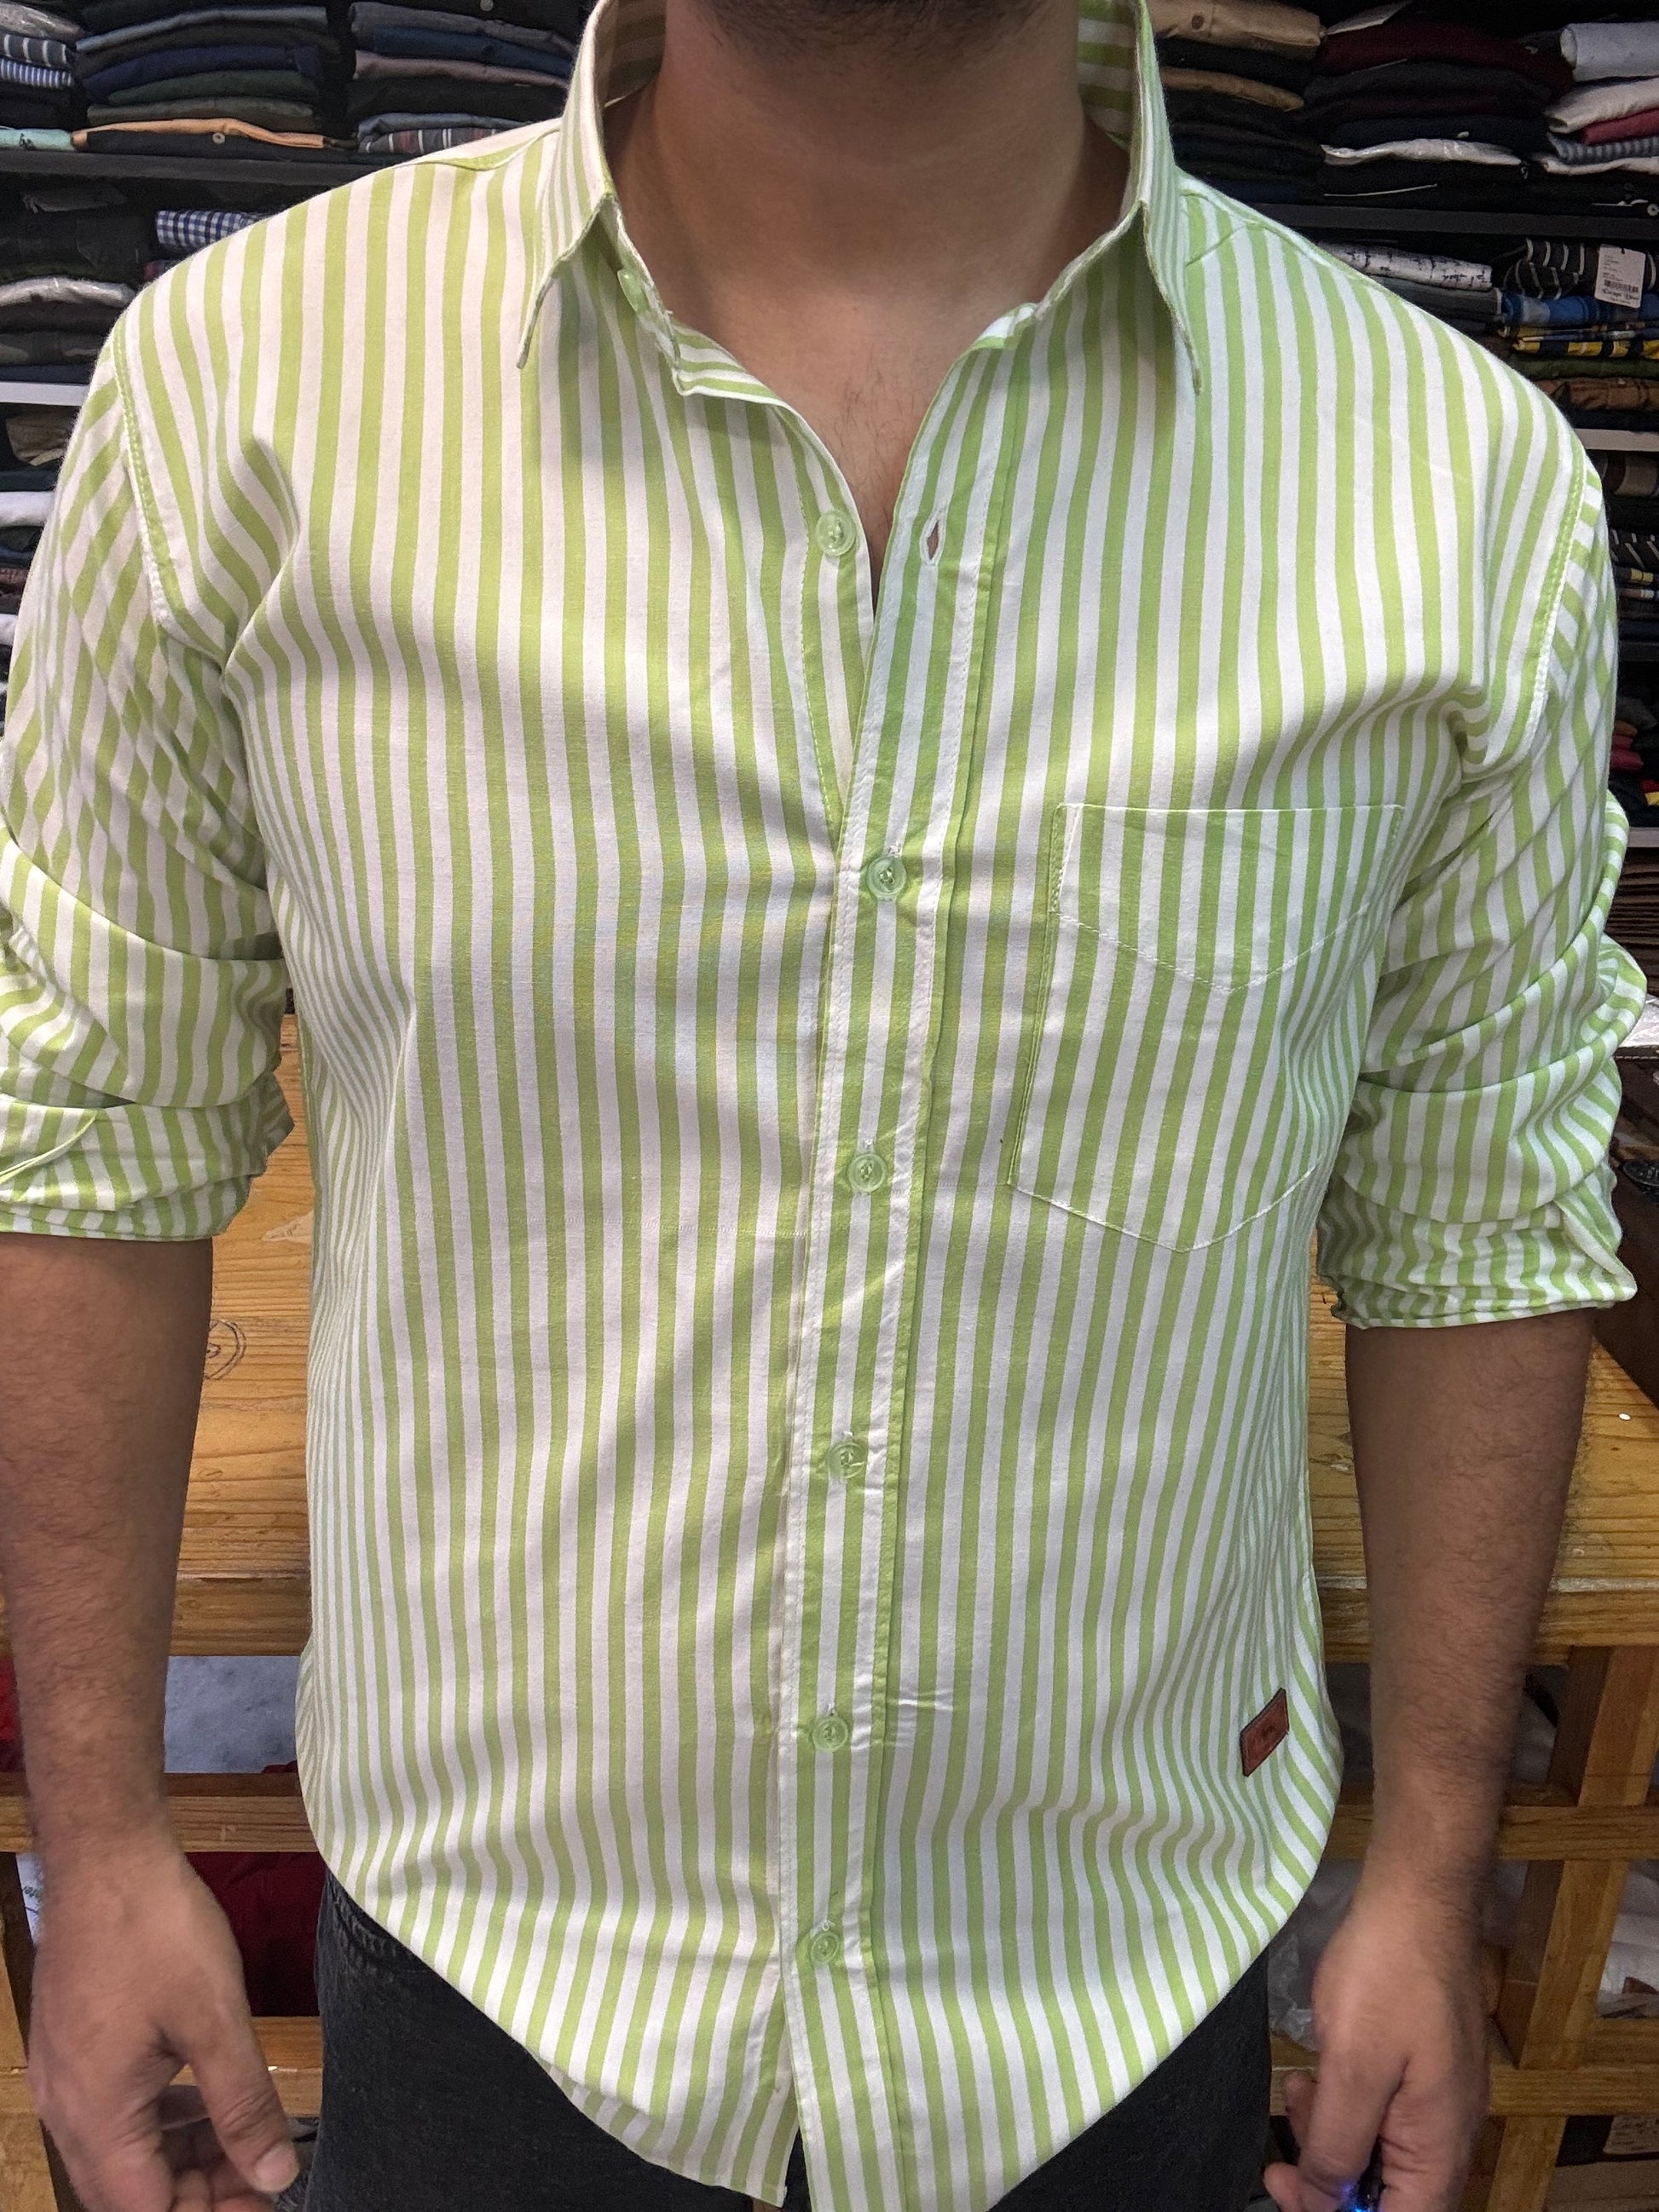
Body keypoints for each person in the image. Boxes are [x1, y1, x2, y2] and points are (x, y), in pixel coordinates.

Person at [0, 0, 1645, 2204]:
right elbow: (84, 1137)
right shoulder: (244, 395)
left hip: (1109, 2002)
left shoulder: (1453, 487)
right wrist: (101, 1834)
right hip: (499, 1982)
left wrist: (1431, 1862)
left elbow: (1481, 1211)